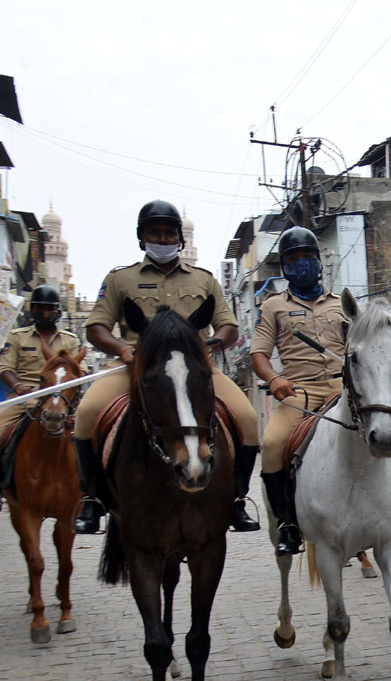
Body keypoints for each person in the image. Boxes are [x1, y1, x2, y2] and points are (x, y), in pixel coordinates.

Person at [251, 226, 391, 557]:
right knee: (270, 445)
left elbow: (374, 350)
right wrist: (274, 379)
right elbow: (258, 354)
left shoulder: (345, 304)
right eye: (293, 259)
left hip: (345, 388)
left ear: (318, 261)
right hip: (299, 391)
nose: (302, 264)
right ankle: (287, 526)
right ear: (284, 265)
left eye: (307, 257)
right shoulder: (272, 306)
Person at [72, 200, 261, 535]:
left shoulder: (204, 280)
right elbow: (96, 328)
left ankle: (236, 501)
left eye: (169, 232)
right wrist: (122, 349)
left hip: (193, 368)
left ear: (180, 238)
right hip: (137, 368)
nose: (162, 238)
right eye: (154, 233)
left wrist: (209, 345)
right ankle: (92, 500)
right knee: (86, 414)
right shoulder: (120, 279)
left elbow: (228, 327)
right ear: (142, 238)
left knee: (247, 419)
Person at [0, 286, 82, 490]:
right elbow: (5, 366)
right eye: (38, 307)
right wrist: (17, 386)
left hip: (62, 399)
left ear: (57, 311)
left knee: (88, 432)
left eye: (49, 308)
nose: (44, 312)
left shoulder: (70, 341)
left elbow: (78, 372)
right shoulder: (17, 337)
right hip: (25, 397)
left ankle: (89, 489)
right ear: (31, 309)